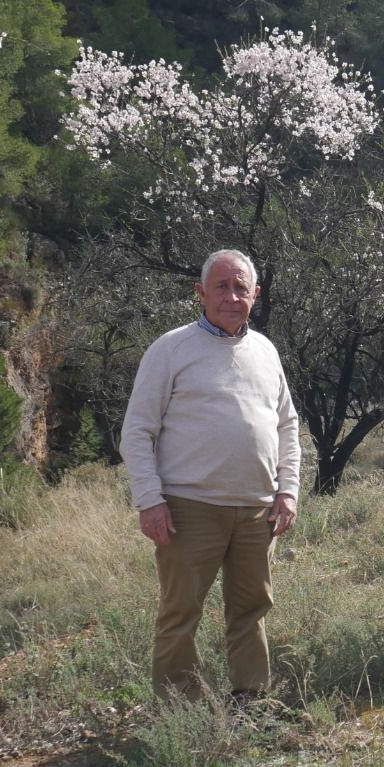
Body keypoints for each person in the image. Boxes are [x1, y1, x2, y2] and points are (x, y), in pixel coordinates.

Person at [121, 249, 301, 703]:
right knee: (181, 612)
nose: (231, 295)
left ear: (255, 295)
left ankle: (251, 701)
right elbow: (137, 431)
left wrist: (288, 490)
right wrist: (149, 500)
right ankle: (180, 709)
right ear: (201, 292)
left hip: (257, 509)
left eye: (241, 287)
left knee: (251, 609)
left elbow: (286, 426)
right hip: (187, 509)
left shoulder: (265, 350)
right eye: (221, 286)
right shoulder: (170, 349)